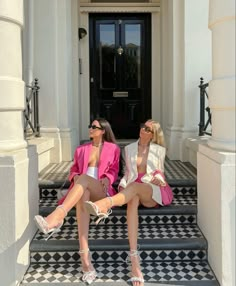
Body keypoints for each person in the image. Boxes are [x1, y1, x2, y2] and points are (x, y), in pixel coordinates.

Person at [84, 119, 173, 286]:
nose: (143, 130)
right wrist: (123, 185)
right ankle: (134, 261)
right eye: (142, 126)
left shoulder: (159, 150)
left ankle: (105, 204)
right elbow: (126, 174)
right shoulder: (129, 148)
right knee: (132, 199)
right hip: (132, 188)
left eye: (147, 129)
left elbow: (160, 171)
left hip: (151, 189)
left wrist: (159, 179)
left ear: (153, 134)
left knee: (137, 188)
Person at [34, 118, 120, 284]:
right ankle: (85, 259)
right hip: (83, 190)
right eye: (90, 126)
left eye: (94, 127)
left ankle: (57, 216)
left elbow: (114, 169)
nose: (90, 129)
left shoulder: (113, 148)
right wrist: (76, 176)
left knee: (85, 182)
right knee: (83, 194)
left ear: (103, 130)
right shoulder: (81, 149)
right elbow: (73, 171)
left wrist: (108, 179)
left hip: (101, 190)